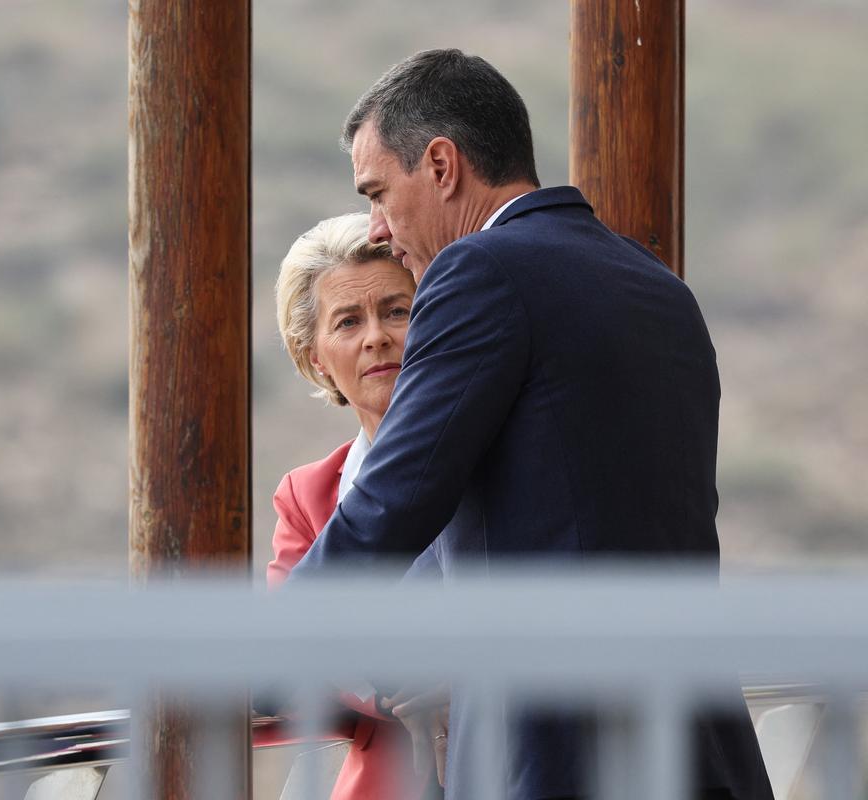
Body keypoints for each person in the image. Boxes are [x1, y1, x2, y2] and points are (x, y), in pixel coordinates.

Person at [286, 50, 773, 799]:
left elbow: (397, 497)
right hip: (698, 744)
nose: (379, 229)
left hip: (557, 752)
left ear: (442, 165)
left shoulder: (477, 272)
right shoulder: (661, 287)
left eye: (379, 194)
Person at [270, 212, 439, 799]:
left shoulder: (506, 454)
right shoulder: (307, 494)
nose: (377, 337)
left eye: (397, 310)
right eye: (348, 321)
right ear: (316, 357)